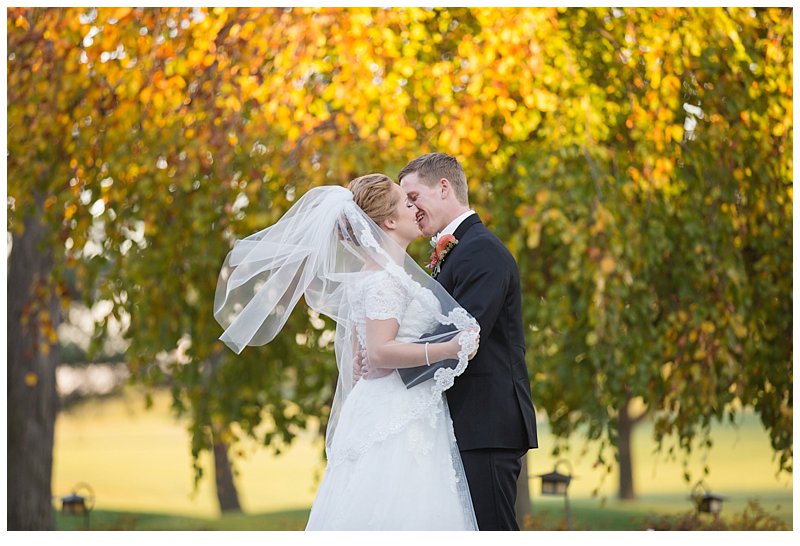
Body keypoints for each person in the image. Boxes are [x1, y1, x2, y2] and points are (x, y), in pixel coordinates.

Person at [213, 174, 481, 530]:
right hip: (395, 413)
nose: (414, 208)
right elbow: (382, 352)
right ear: (388, 221)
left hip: (400, 405)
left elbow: (365, 359)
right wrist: (449, 347)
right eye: (407, 203)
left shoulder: (382, 274)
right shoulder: (384, 279)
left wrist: (370, 356)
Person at [395, 153, 539, 531]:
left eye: (413, 197)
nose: (410, 208)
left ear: (444, 188)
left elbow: (465, 336)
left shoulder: (481, 250)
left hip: (486, 425)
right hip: (470, 424)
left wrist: (390, 362)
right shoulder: (460, 249)